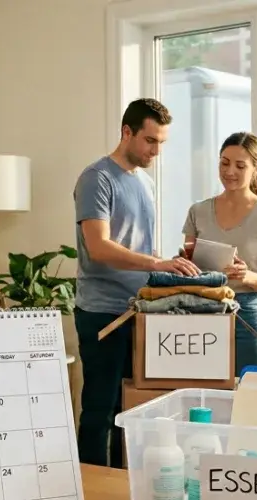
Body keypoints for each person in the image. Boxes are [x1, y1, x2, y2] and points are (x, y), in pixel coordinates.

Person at [73, 98, 199, 468]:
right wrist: (156, 262)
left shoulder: (145, 183)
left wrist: (174, 262)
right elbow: (99, 247)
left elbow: (139, 248)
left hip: (140, 311)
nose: (155, 151)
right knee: (100, 409)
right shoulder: (96, 178)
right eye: (150, 141)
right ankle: (92, 491)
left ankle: (119, 489)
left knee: (129, 411)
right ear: (126, 132)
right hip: (102, 313)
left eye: (161, 142)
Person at [180, 131, 257, 375]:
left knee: (250, 391)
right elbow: (188, 259)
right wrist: (181, 263)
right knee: (201, 390)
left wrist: (246, 275)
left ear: (256, 168)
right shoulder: (198, 211)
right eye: (224, 163)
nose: (230, 172)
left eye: (240, 165)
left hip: (246, 310)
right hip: (202, 307)